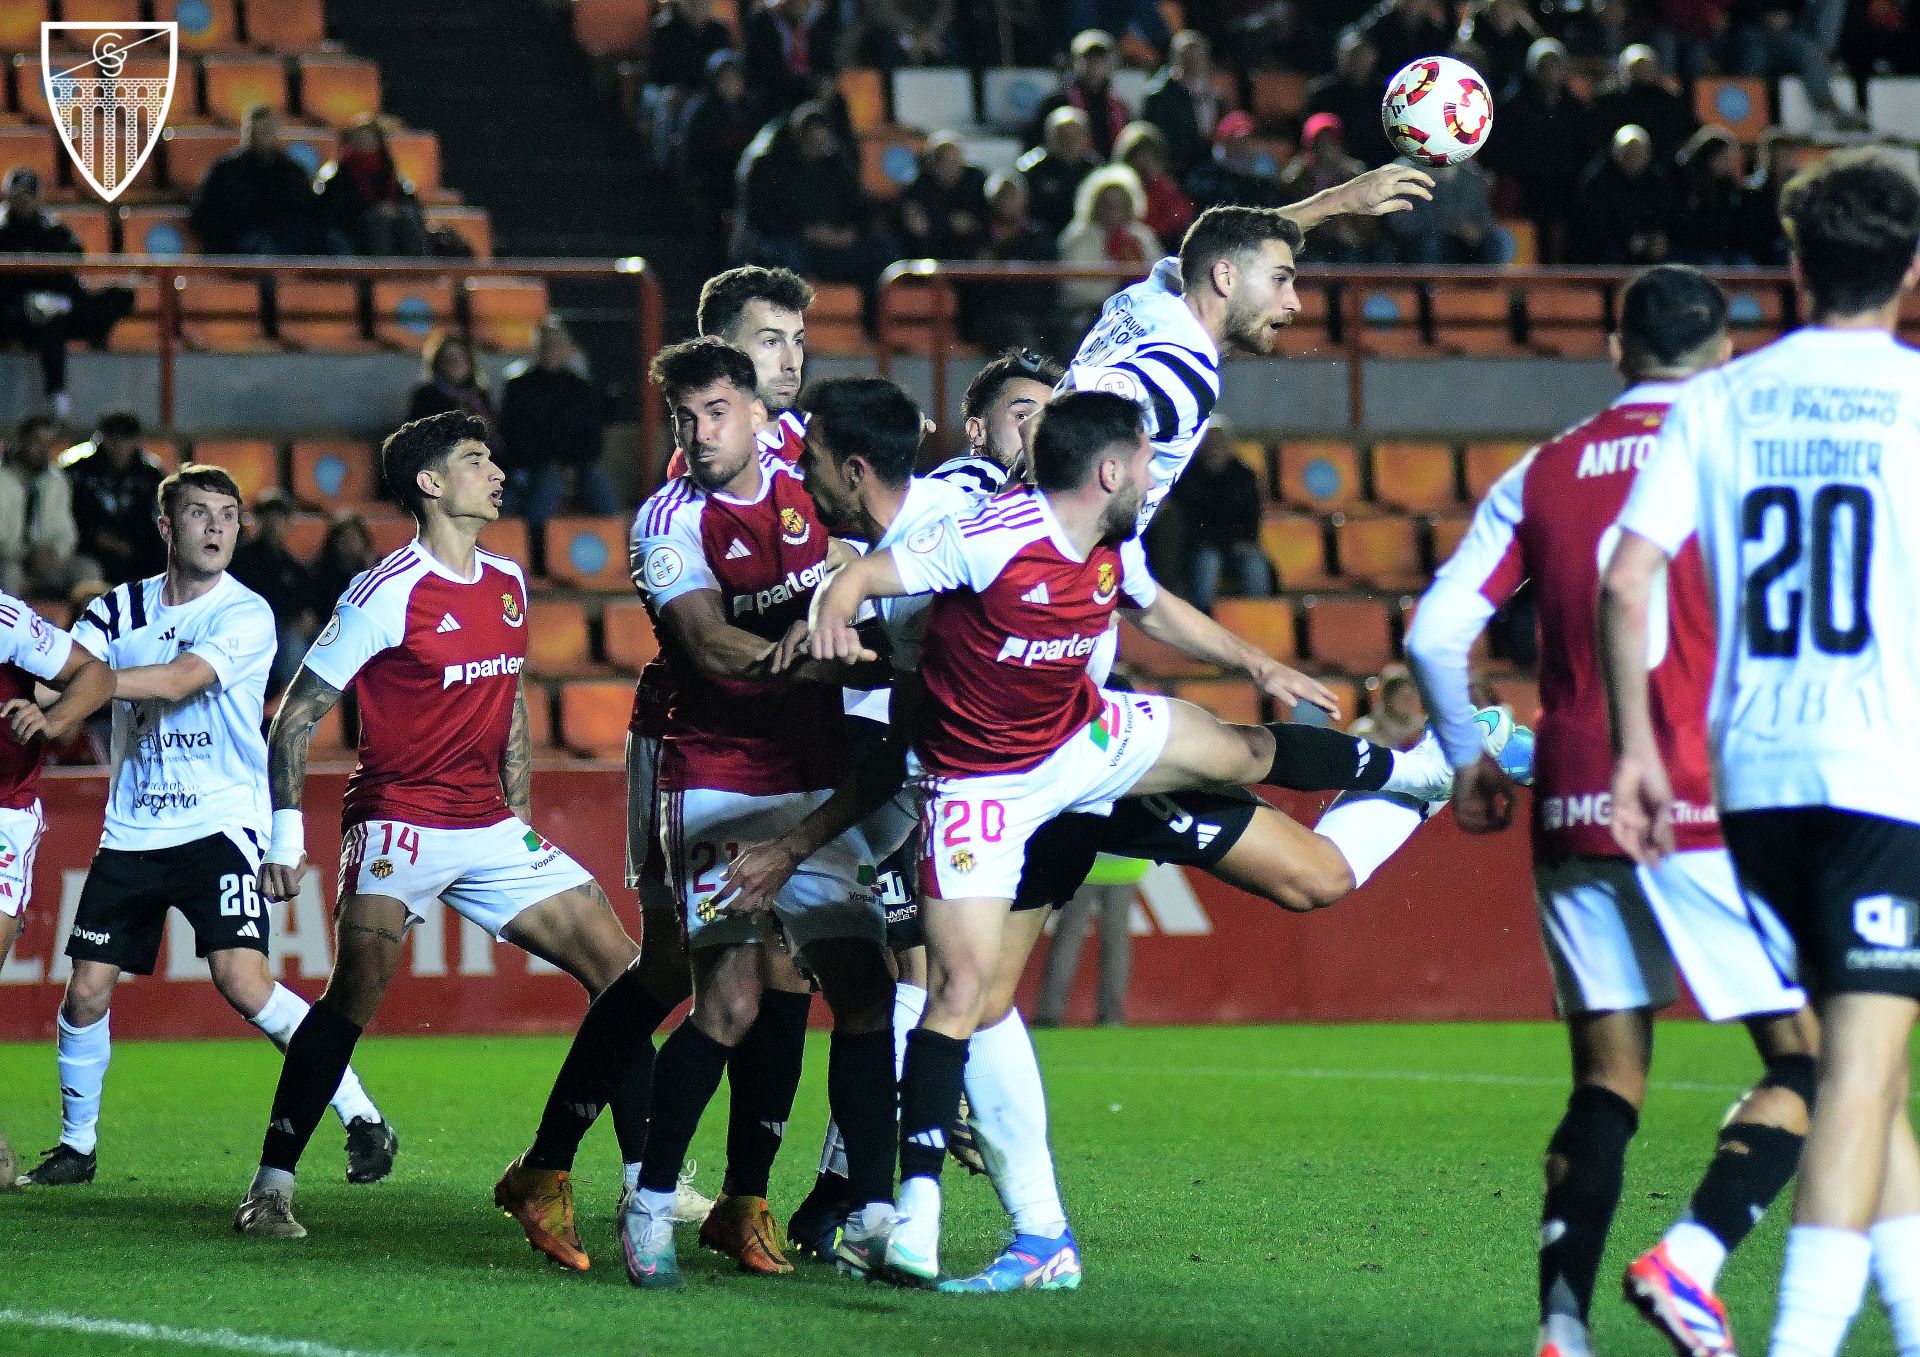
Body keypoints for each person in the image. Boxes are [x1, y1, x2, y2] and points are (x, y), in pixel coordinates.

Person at [786, 390, 1482, 1285]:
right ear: (1109, 470)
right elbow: (865, 576)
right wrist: (835, 606)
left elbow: (1155, 609)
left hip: (1082, 742)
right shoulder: (990, 534)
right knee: (960, 992)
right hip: (982, 791)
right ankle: (922, 1215)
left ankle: (1423, 772)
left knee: (1237, 748)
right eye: (1147, 461)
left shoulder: (1113, 542)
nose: (1157, 474)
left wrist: (1256, 660)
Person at [1410, 264, 1818, 1357]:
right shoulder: (1750, 447)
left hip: (1575, 792)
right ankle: (1692, 1254)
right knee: (1813, 1059)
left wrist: (1468, 758)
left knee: (1607, 1080)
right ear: (1723, 353)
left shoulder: (1545, 469)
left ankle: (1562, 1327)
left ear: (1615, 350)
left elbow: (1434, 632)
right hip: (1708, 791)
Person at [1601, 150, 1920, 1357]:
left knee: (1862, 1063)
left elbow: (1628, 580)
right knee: (1860, 1068)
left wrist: (1639, 751)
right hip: (1877, 770)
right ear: (1911, 268)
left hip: (1755, 782)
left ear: (1794, 265)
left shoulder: (1720, 399)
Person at [235, 413, 658, 1267]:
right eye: (475, 459)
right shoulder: (384, 590)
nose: (496, 472)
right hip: (397, 818)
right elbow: (296, 716)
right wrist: (284, 837)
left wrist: (518, 814)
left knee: (625, 970)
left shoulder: (507, 579)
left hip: (485, 822)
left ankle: (648, 1182)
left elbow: (509, 699)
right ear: (431, 484)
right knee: (354, 994)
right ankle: (271, 1185)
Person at [19, 466, 394, 1190]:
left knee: (242, 981)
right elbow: (53, 674)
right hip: (132, 828)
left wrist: (87, 687)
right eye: (200, 513)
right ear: (167, 526)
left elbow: (177, 680)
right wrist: (34, 690)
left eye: (228, 514)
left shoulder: (245, 613)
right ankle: (76, 1146)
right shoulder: (116, 609)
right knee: (85, 991)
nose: (218, 526)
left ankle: (361, 1114)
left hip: (220, 822)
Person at [618, 340, 898, 1290]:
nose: (700, 434)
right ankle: (652, 1200)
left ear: (757, 414)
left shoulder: (804, 484)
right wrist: (826, 655)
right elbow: (707, 645)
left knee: (865, 991)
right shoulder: (668, 520)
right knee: (730, 1003)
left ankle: (874, 1212)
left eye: (716, 412)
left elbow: (872, 546)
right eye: (684, 416)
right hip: (717, 774)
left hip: (813, 771)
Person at [0, 168, 133, 418]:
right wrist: (27, 302)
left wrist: (60, 302)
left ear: (38, 198)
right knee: (50, 323)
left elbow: (73, 265)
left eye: (29, 196)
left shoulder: (54, 230)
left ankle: (90, 339)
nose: (24, 202)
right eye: (18, 196)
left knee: (120, 296)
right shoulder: (2, 231)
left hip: (58, 308)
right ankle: (56, 395)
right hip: (12, 315)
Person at [733, 102, 899, 302]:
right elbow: (763, 216)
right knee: (787, 260)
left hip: (833, 246)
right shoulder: (770, 164)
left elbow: (860, 207)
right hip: (790, 241)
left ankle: (874, 316)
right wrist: (807, 232)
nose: (817, 145)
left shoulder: (835, 164)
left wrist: (850, 233)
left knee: (883, 249)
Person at [498, 316, 614, 555]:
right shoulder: (518, 387)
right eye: (546, 343)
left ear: (568, 349)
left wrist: (573, 465)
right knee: (547, 483)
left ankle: (618, 548)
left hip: (577, 465)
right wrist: (552, 463)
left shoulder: (581, 388)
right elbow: (514, 435)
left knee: (600, 487)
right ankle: (536, 552)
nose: (551, 349)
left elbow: (592, 435)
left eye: (557, 343)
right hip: (531, 464)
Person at [1487, 38, 1598, 265]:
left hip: (1566, 181)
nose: (1551, 72)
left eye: (1556, 65)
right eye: (1545, 66)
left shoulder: (1575, 108)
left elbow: (1585, 148)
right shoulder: (1513, 106)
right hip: (1527, 182)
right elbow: (1503, 149)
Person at [189, 106, 345, 257]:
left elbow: (307, 212)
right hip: (238, 242)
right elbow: (204, 214)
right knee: (263, 247)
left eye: (267, 130)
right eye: (256, 131)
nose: (261, 136)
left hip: (285, 240)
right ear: (246, 133)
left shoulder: (291, 171)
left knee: (333, 242)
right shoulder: (226, 170)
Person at [1164, 424, 1268, 612]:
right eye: (1210, 444)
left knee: (1255, 565)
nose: (1215, 449)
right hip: (1200, 548)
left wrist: (1244, 541)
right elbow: (1189, 522)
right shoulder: (1188, 478)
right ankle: (1204, 616)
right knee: (1208, 562)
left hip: (1238, 545)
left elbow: (1251, 518)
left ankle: (1259, 618)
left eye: (1220, 444)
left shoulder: (1244, 476)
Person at [1032, 854, 1140, 1027]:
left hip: (1080, 865)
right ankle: (1111, 1017)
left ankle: (1049, 1014)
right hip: (1126, 866)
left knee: (1068, 937)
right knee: (1117, 940)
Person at [228, 489, 315, 700]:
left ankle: (294, 714)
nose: (273, 524)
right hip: (244, 633)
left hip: (283, 636)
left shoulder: (295, 568)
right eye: (268, 517)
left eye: (279, 518)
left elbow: (304, 611)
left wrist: (304, 620)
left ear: (289, 523)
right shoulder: (237, 559)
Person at [63, 411, 167, 585]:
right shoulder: (79, 473)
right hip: (91, 550)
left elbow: (157, 519)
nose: (119, 446)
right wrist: (97, 538)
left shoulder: (150, 475)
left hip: (140, 552)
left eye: (125, 439)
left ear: (136, 440)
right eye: (112, 438)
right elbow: (70, 517)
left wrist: (131, 545)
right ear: (102, 438)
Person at [0, 415, 99, 598]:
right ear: (21, 440)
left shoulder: (57, 481)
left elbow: (67, 532)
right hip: (10, 559)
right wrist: (26, 553)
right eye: (37, 441)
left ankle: (85, 618)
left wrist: (54, 553)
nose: (42, 449)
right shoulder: (3, 478)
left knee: (88, 570)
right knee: (10, 575)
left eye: (49, 443)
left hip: (48, 561)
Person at [961, 172, 1060, 353]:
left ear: (1025, 199)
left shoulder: (1040, 236)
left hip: (1036, 311)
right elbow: (972, 288)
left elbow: (1048, 283)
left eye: (1013, 195)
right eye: (1001, 196)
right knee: (1019, 331)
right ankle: (1033, 372)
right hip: (994, 316)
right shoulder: (977, 236)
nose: (1007, 201)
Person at [1057, 165, 1161, 331]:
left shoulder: (1142, 236)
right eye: (1107, 204)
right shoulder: (1079, 237)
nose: (1114, 211)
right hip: (1088, 315)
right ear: (1094, 204)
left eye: (1121, 204)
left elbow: (1159, 279)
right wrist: (1116, 276)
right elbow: (1076, 290)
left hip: (1140, 314)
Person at [314, 118, 430, 258]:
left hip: (391, 215)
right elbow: (336, 206)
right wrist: (374, 208)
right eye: (359, 138)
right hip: (355, 222)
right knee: (377, 219)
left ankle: (419, 264)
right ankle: (383, 265)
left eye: (369, 138)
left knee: (408, 215)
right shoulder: (336, 173)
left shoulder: (388, 168)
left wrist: (394, 208)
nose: (365, 142)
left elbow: (405, 195)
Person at [1280, 114, 1384, 264]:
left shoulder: (1355, 176)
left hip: (1351, 246)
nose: (1327, 148)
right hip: (1311, 247)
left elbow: (1369, 228)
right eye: (1320, 143)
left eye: (1331, 142)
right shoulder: (1296, 179)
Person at [674, 51, 760, 226]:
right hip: (712, 183)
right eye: (724, 78)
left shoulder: (752, 109)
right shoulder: (700, 112)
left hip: (745, 180)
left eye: (734, 77)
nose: (730, 83)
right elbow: (695, 155)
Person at [1570, 126, 1675, 267]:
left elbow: (1665, 218)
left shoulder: (1657, 181)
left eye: (1639, 153)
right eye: (1629, 153)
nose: (1634, 158)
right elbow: (1594, 228)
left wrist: (1657, 240)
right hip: (1605, 255)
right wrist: (1633, 242)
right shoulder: (1597, 182)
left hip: (1648, 255)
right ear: (1616, 153)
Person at [1383, 155, 1504, 266]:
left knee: (1497, 242)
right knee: (1431, 244)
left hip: (1465, 244)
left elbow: (1485, 221)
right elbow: (1400, 225)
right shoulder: (1409, 175)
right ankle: (1431, 284)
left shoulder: (1472, 178)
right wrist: (1452, 226)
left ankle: (1488, 282)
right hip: (1422, 242)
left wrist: (1475, 231)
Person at [1032, 30, 1130, 163]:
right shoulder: (1056, 104)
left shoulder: (1120, 107)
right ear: (1074, 62)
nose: (1094, 65)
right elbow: (1039, 145)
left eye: (1100, 59)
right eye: (1088, 58)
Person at [1590, 44, 1698, 164]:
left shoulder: (1667, 101)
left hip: (1659, 162)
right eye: (1637, 67)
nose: (1642, 71)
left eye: (1645, 67)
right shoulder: (1608, 100)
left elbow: (1680, 131)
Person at [1303, 30, 1396, 169]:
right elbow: (1313, 136)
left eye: (1363, 54)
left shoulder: (1388, 94)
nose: (1359, 60)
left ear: (1374, 56)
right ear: (1339, 55)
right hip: (1334, 168)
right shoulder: (1321, 94)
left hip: (1384, 166)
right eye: (1353, 54)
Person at [1141, 30, 1223, 182]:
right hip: (1175, 172)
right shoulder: (1160, 98)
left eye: (1198, 57)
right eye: (1188, 58)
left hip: (1206, 172)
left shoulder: (1215, 98)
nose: (1193, 63)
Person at [898, 133, 990, 262]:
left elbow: (985, 218)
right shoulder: (916, 188)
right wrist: (949, 223)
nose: (951, 168)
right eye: (944, 161)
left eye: (955, 162)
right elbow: (919, 227)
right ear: (931, 163)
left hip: (971, 250)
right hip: (933, 254)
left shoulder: (976, 181)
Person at [1015, 107, 1102, 241]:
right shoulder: (1033, 169)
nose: (1069, 143)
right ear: (1049, 138)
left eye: (1075, 137)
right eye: (1062, 137)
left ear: (1086, 138)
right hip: (1042, 235)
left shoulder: (1096, 170)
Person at [742, 0, 840, 115]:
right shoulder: (763, 24)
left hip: (810, 94)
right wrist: (810, 84)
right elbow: (767, 74)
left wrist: (825, 81)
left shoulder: (814, 24)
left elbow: (824, 61)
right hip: (778, 100)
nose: (802, 5)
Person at [1184, 111, 1287, 211]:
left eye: (1247, 139)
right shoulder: (1206, 170)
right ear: (1223, 141)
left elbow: (1274, 199)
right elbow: (1199, 194)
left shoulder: (1263, 167)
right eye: (1235, 140)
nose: (1242, 144)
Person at [1115, 121, 1194, 246]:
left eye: (1149, 154)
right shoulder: (1117, 191)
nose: (1143, 160)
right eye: (1137, 154)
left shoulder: (1167, 188)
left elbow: (1181, 219)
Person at [407, 332, 495, 436]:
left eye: (461, 359)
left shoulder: (479, 394)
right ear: (438, 363)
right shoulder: (426, 396)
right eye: (450, 360)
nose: (456, 365)